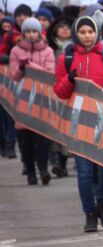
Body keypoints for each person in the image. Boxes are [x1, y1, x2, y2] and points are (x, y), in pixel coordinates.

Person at [54, 16, 103, 232]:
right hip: (79, 123)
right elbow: (59, 91)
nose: (87, 36)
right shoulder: (67, 57)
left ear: (96, 33)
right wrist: (70, 79)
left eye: (90, 32)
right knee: (84, 172)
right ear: (77, 34)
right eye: (82, 32)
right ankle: (89, 214)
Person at [9, 17, 55, 185]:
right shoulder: (15, 51)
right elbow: (13, 75)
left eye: (34, 31)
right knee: (26, 141)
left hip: (41, 100)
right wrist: (21, 67)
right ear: (23, 33)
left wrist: (31, 67)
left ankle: (43, 169)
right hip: (23, 100)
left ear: (39, 32)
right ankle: (30, 171)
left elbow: (49, 74)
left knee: (42, 138)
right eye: (27, 31)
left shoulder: (48, 51)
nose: (30, 34)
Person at [46, 15, 75, 177]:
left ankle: (63, 163)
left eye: (67, 26)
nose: (64, 29)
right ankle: (56, 161)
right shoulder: (51, 49)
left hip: (68, 93)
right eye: (61, 26)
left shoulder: (74, 51)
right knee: (54, 129)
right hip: (52, 93)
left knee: (66, 129)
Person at [0, 17, 16, 158]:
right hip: (3, 82)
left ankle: (10, 144)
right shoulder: (7, 38)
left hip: (12, 83)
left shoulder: (13, 38)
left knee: (11, 117)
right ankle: (4, 143)